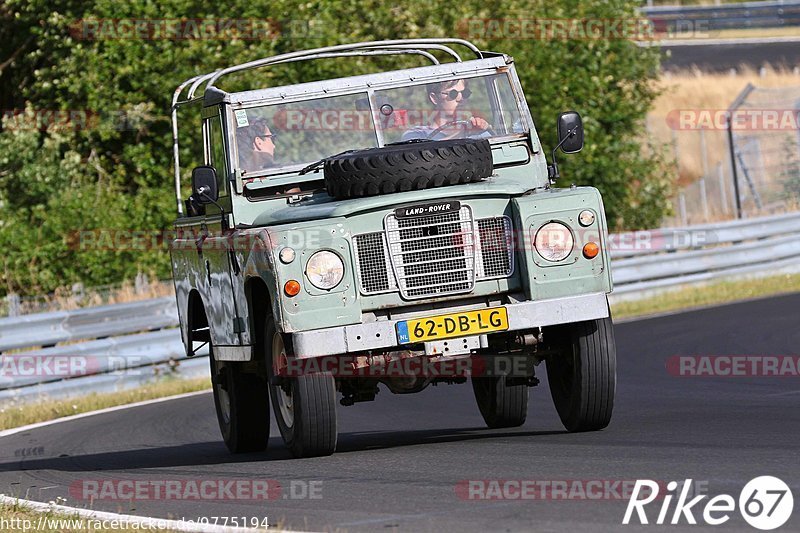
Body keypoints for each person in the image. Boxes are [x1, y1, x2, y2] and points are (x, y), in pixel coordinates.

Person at [402, 79, 491, 141]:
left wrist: (485, 128)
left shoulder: (476, 132)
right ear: (434, 98)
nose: (460, 98)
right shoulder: (417, 134)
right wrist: (461, 133)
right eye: (453, 94)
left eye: (465, 93)